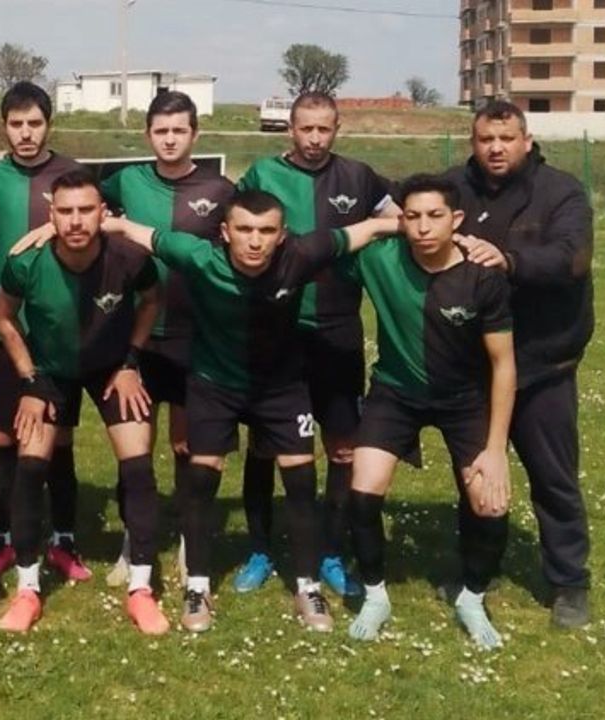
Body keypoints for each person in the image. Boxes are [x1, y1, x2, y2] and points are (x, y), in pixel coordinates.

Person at [103, 190, 398, 632]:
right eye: (244, 229)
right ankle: (197, 587)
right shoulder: (197, 256)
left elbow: (371, 228)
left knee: (301, 483)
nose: (255, 241)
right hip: (214, 386)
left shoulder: (302, 254)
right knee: (201, 480)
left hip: (282, 389)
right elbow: (130, 229)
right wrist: (61, 225)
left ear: (283, 235)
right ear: (225, 232)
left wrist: (444, 231)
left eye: (266, 231)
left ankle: (307, 587)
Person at [235, 92, 399, 596]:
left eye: (323, 129)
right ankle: (260, 549)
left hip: (337, 329)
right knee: (265, 444)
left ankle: (330, 550)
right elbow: (234, 230)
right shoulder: (262, 175)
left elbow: (401, 218)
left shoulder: (359, 177)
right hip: (275, 328)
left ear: (337, 129)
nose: (314, 138)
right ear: (291, 128)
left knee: (342, 446)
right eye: (305, 128)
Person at [344, 175, 515, 649]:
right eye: (412, 217)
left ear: (456, 219)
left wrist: (496, 450)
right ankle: (376, 595)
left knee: (491, 503)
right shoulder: (379, 258)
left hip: (464, 400)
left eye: (434, 216)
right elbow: (321, 248)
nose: (422, 228)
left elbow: (503, 365)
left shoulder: (483, 276)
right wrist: (377, 227)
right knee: (362, 491)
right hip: (395, 394)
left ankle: (472, 597)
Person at [0, 169, 166, 634]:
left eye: (85, 210)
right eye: (65, 211)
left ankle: (141, 590)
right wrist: (30, 380)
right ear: (51, 215)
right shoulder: (25, 263)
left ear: (102, 213)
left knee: (138, 466)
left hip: (112, 369)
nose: (75, 221)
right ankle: (28, 590)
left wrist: (131, 361)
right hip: (49, 373)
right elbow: (4, 316)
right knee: (31, 466)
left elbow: (152, 300)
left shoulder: (129, 258)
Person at [445, 101, 594, 628]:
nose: (496, 148)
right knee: (477, 475)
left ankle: (569, 582)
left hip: (542, 363)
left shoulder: (561, 191)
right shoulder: (453, 188)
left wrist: (508, 260)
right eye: (486, 139)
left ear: (526, 141)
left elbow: (573, 258)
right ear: (473, 141)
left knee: (553, 477)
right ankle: (476, 572)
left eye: (506, 138)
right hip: (477, 365)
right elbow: (410, 213)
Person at [99, 91, 235, 586]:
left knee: (186, 444)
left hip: (195, 336)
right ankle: (132, 543)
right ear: (148, 135)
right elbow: (83, 206)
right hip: (133, 335)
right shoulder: (126, 180)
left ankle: (186, 542)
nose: (170, 139)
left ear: (195, 134)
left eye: (179, 130)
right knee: (134, 447)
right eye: (161, 131)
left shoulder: (221, 189)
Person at [0, 82, 91, 582]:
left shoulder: (72, 174)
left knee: (58, 436)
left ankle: (63, 539)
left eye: (34, 123)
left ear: (48, 124)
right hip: (1, 326)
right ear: (5, 126)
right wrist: (0, 272)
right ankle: (1, 539)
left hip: (58, 327)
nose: (25, 133)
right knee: (4, 434)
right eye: (16, 124)